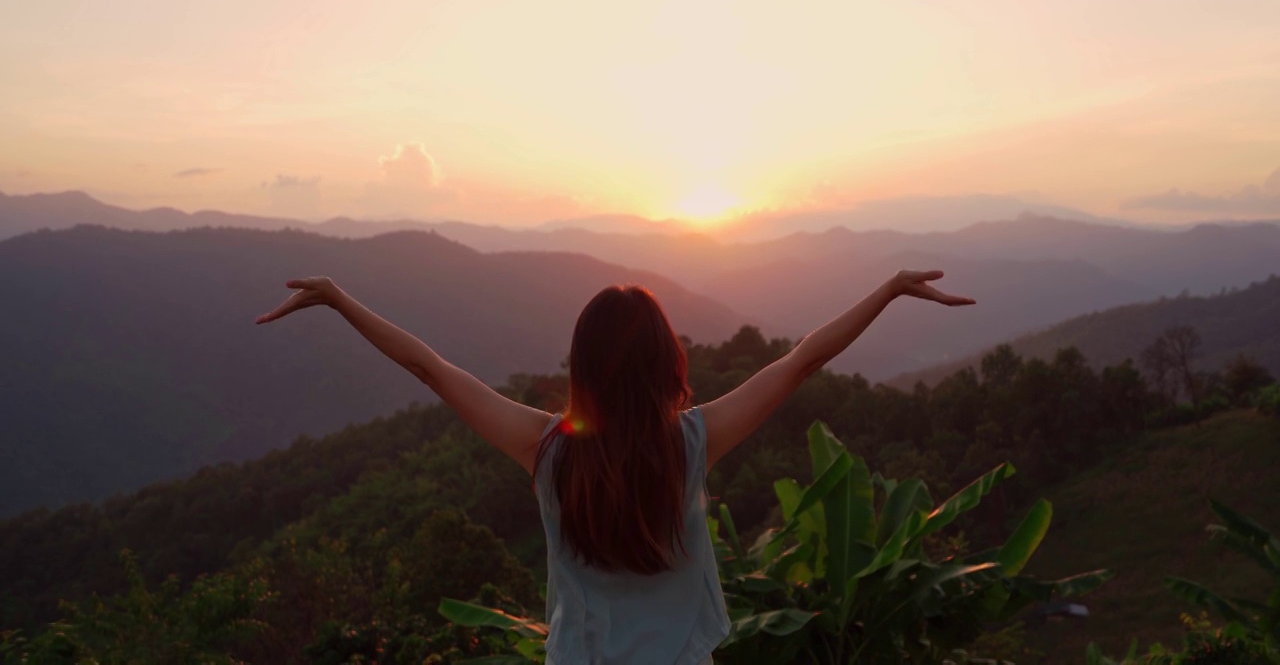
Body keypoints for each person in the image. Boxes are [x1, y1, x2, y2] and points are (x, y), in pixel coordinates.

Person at [255, 269, 974, 664]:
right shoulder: (693, 443)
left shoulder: (546, 449)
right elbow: (804, 359)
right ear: (669, 363)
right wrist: (884, 290)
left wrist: (341, 299)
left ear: (583, 367)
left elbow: (431, 370)